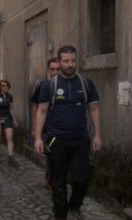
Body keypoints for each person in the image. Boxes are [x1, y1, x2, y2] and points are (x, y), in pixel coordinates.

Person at [34, 45, 102, 220]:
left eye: (73, 60)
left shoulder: (86, 83)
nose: (70, 64)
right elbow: (41, 111)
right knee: (58, 184)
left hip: (80, 140)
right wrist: (38, 138)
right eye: (66, 61)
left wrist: (98, 134)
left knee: (82, 179)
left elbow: (94, 109)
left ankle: (75, 205)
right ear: (59, 62)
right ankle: (61, 215)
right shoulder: (49, 86)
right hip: (56, 141)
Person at [31, 57, 60, 187]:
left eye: (58, 69)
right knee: (52, 154)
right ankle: (51, 178)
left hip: (64, 128)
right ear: (49, 71)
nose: (55, 72)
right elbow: (35, 107)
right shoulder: (44, 86)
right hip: (48, 128)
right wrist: (35, 127)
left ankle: (53, 177)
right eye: (53, 69)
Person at [0, 79, 19, 167]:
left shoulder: (10, 96)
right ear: (0, 87)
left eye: (6, 85)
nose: (5, 87)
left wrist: (14, 119)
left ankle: (10, 157)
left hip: (8, 119)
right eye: (3, 85)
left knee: (10, 137)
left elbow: (11, 109)